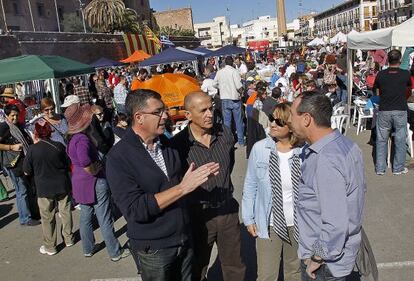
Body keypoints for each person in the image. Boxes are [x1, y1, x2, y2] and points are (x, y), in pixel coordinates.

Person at [106, 89, 219, 280]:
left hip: (183, 238)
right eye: (158, 111)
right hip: (155, 249)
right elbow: (136, 209)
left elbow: (179, 181)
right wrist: (183, 188)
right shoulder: (118, 157)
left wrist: (199, 177)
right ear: (139, 117)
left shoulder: (165, 144)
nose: (165, 116)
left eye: (164, 110)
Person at [289, 92, 366, 280]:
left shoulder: (326, 159)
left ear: (306, 119)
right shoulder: (346, 145)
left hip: (325, 266)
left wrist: (317, 257)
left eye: (292, 115)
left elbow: (335, 222)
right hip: (338, 257)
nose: (289, 121)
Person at [172, 92, 246, 281]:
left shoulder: (225, 134)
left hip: (227, 209)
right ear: (188, 115)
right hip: (198, 214)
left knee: (234, 266)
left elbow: (229, 165)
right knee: (197, 266)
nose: (209, 114)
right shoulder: (178, 145)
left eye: (211, 108)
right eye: (203, 110)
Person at [242, 103, 301, 281]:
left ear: (291, 125)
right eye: (271, 119)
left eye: (279, 121)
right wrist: (248, 218)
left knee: (294, 272)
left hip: (298, 222)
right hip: (269, 223)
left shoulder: (303, 151)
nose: (272, 124)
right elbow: (250, 184)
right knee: (267, 275)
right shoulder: (260, 148)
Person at [65, 103, 128, 262]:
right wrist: (93, 168)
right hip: (93, 181)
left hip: (79, 182)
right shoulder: (82, 138)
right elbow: (85, 161)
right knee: (104, 217)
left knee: (86, 216)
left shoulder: (73, 137)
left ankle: (88, 248)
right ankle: (115, 252)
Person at [23, 121, 73, 256]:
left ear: (36, 133)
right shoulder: (59, 146)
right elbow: (68, 163)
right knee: (65, 212)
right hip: (62, 184)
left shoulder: (33, 149)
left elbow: (27, 171)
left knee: (47, 217)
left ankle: (50, 246)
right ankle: (68, 238)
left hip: (44, 187)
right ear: (50, 132)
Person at [373, 49, 412, 175]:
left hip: (384, 109)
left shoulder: (381, 74)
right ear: (400, 60)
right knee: (400, 140)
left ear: (388, 60)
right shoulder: (405, 74)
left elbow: (376, 92)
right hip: (400, 109)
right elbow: (408, 91)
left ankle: (380, 168)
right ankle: (398, 168)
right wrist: (401, 98)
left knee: (381, 140)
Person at [0, 104, 38, 226]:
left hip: (23, 162)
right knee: (21, 190)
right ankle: (25, 218)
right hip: (13, 164)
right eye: (12, 116)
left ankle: (32, 213)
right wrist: (11, 147)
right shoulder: (4, 127)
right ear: (6, 115)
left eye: (17, 115)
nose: (15, 118)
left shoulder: (19, 126)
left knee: (28, 188)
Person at [214, 56, 245, 147]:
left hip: (224, 99)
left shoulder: (220, 72)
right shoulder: (234, 72)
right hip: (234, 99)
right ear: (232, 63)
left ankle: (228, 142)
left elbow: (214, 84)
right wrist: (242, 92)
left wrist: (221, 88)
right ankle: (241, 141)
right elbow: (238, 86)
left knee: (227, 122)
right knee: (238, 121)